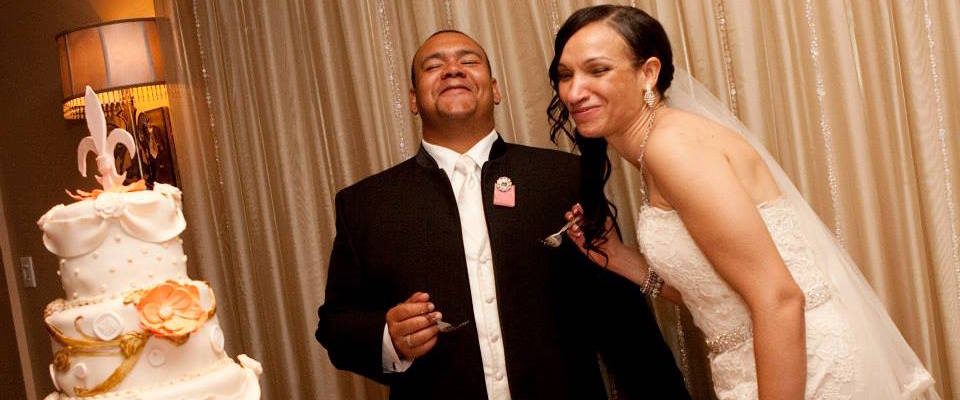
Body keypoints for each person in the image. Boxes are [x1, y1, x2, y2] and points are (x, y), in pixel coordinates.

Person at [547, 5, 940, 400]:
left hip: (808, 367)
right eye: (566, 75)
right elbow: (718, 296)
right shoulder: (659, 147)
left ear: (647, 73)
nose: (574, 92)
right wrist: (617, 257)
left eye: (597, 70)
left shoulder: (673, 147)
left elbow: (780, 298)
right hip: (760, 362)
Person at [315, 30, 689, 400]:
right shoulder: (365, 203)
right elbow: (336, 325)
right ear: (413, 100)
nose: (452, 69)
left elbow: (622, 320)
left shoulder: (566, 177)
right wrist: (388, 338)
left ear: (495, 89)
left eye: (468, 61)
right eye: (433, 65)